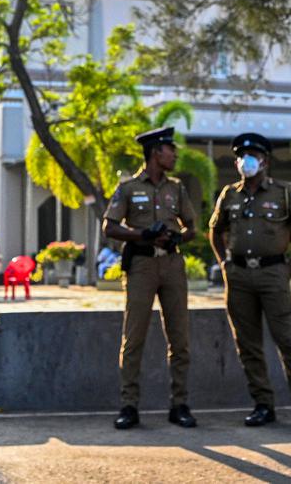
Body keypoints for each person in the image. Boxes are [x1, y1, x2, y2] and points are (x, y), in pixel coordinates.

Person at [208, 133, 291, 432]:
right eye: (241, 156)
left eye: (253, 155)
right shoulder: (229, 194)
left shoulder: (284, 191)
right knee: (248, 344)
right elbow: (215, 229)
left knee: (288, 342)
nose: (246, 160)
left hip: (274, 274)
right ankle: (263, 405)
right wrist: (224, 263)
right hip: (239, 276)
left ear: (264, 161)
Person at [102, 126, 198, 430]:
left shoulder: (177, 188)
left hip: (171, 265)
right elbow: (110, 226)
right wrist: (142, 235)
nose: (175, 154)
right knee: (134, 339)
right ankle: (129, 406)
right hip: (141, 266)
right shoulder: (128, 188)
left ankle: (179, 404)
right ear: (156, 152)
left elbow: (192, 226)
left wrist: (177, 238)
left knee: (179, 338)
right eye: (171, 149)